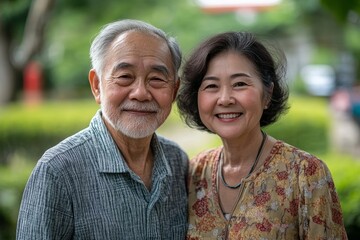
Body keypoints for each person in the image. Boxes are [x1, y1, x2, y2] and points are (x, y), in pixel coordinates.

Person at [16, 19, 188, 239]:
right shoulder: (58, 171)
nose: (140, 93)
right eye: (125, 77)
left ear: (174, 91)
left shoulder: (178, 161)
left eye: (156, 79)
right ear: (97, 85)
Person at [177, 32, 348, 239]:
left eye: (240, 84)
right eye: (211, 86)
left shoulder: (305, 174)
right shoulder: (195, 172)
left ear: (267, 95)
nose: (225, 99)